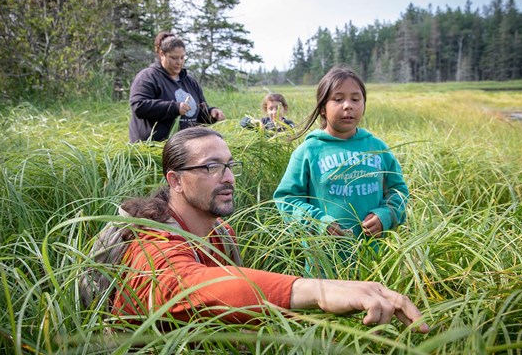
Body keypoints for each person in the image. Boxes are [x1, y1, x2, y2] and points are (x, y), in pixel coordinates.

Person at [84, 127, 428, 332]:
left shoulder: (221, 232)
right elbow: (190, 287)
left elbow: (232, 297)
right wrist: (318, 292)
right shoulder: (150, 244)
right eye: (211, 167)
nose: (229, 177)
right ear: (175, 180)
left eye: (230, 165)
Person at [273, 67, 409, 263]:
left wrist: (385, 215)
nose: (348, 106)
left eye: (356, 99)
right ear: (322, 108)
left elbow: (399, 192)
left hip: (376, 261)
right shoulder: (308, 151)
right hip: (325, 265)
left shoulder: (378, 148)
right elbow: (286, 200)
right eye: (338, 99)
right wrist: (319, 223)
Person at [128, 31, 225, 142]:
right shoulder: (148, 77)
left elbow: (199, 114)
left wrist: (212, 113)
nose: (179, 62)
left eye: (182, 58)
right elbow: (139, 106)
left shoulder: (190, 82)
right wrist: (174, 108)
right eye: (174, 58)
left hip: (185, 146)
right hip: (154, 146)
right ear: (161, 54)